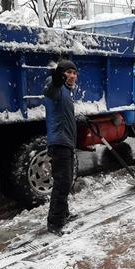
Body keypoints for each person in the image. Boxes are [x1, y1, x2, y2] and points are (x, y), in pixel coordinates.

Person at [44, 59, 78, 234]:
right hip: (59, 142)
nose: (72, 75)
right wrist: (57, 76)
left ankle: (63, 213)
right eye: (68, 72)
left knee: (66, 180)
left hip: (66, 141)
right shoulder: (55, 86)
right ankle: (55, 223)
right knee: (62, 182)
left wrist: (78, 120)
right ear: (61, 74)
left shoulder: (66, 92)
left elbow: (63, 115)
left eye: (74, 72)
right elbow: (51, 89)